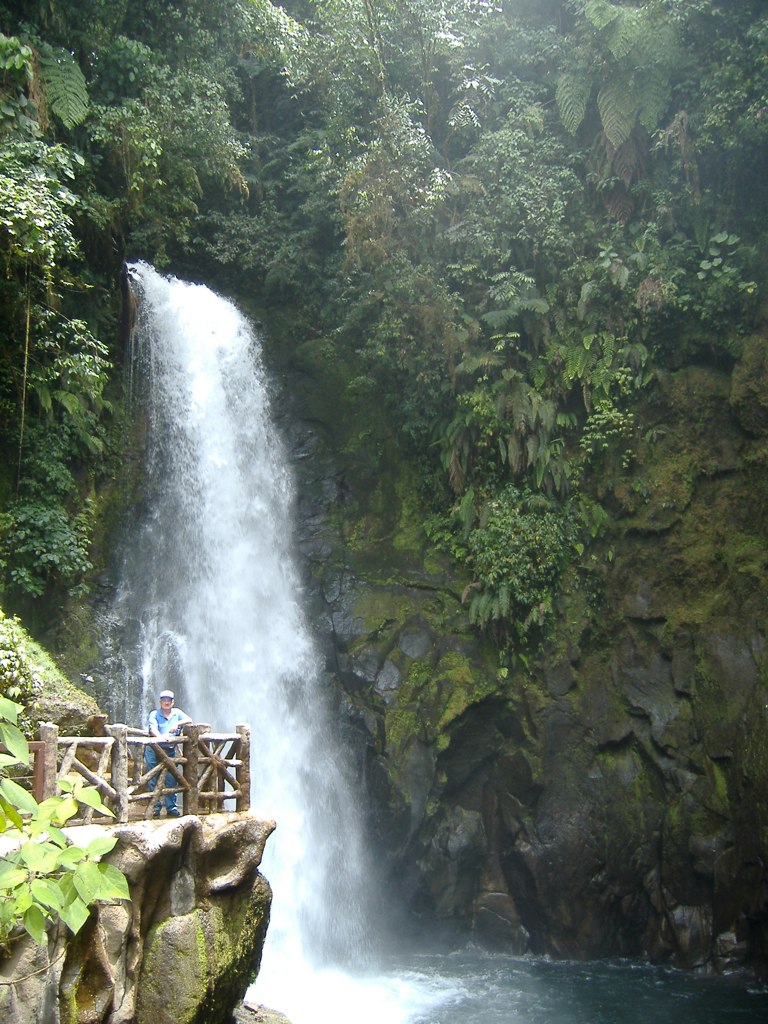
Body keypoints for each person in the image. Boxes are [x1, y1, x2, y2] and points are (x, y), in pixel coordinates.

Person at [146, 689, 192, 817]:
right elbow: (152, 728)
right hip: (154, 750)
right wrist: (160, 737)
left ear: (172, 702)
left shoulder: (177, 713)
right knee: (152, 778)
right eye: (164, 700)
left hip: (170, 750)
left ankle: (171, 807)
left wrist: (177, 723)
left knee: (171, 778)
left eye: (168, 700)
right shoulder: (154, 714)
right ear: (160, 702)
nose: (166, 703)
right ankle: (155, 807)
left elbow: (189, 720)